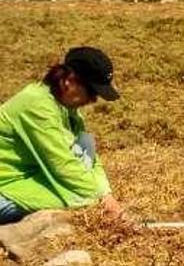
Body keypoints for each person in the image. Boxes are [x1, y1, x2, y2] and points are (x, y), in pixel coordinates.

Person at [0, 47, 128, 224]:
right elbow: (62, 163)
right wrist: (100, 202)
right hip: (5, 185)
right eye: (91, 92)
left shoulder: (67, 109)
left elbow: (89, 158)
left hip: (26, 178)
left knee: (85, 144)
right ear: (68, 81)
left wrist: (106, 195)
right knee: (81, 200)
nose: (93, 100)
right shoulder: (37, 105)